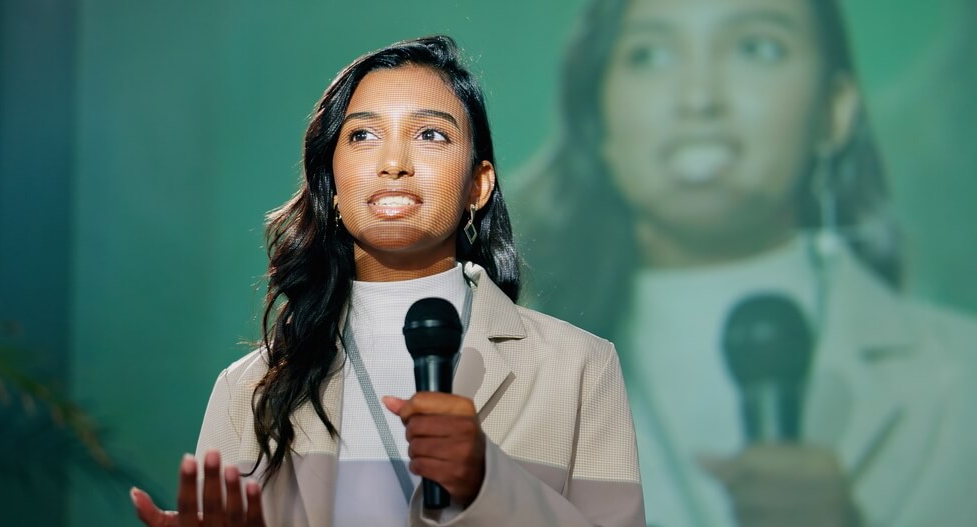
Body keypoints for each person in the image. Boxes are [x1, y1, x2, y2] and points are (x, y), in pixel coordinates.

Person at [129, 35, 646, 527]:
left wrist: (489, 481)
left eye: (430, 135)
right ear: (331, 187)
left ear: (478, 185)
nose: (393, 164)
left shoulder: (578, 367)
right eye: (363, 136)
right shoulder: (250, 388)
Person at [512, 0, 977, 525]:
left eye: (756, 48)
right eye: (650, 55)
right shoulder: (483, 391)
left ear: (834, 109)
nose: (699, 99)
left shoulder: (965, 383)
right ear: (597, 118)